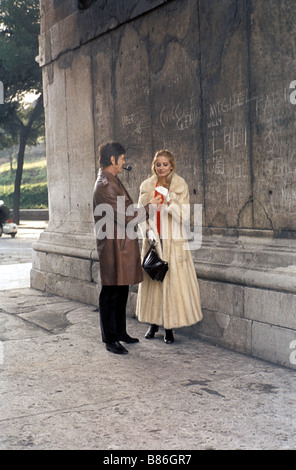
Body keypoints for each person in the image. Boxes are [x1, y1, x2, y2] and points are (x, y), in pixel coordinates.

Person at [93, 141, 162, 355]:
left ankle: (120, 332)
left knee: (121, 289)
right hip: (113, 245)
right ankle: (110, 339)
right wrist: (151, 207)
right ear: (113, 159)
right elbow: (127, 217)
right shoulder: (105, 184)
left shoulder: (112, 179)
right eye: (122, 158)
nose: (124, 162)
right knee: (111, 292)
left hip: (120, 243)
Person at [136, 149, 203, 343]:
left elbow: (185, 216)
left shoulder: (180, 186)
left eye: (165, 164)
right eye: (158, 164)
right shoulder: (147, 187)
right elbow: (140, 214)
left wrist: (169, 200)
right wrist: (147, 231)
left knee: (171, 285)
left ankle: (170, 327)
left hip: (174, 242)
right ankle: (153, 323)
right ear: (154, 166)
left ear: (171, 165)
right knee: (154, 283)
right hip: (154, 240)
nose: (162, 168)